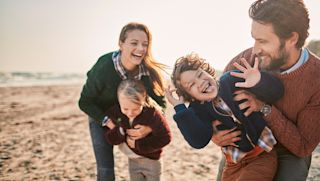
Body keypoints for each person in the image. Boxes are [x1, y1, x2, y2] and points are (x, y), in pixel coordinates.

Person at [212, 0, 320, 180]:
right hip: (247, 142)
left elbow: (303, 146)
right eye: (254, 39)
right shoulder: (245, 60)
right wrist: (214, 133)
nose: (255, 49)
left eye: (262, 41)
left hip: (290, 150)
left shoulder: (316, 79)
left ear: (292, 38)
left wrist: (264, 108)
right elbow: (214, 103)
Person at [165, 53, 284, 180]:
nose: (200, 82)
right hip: (233, 162)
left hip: (261, 154)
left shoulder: (230, 80)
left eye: (200, 75)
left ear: (209, 73)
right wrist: (180, 109)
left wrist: (258, 81)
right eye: (191, 85)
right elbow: (198, 141)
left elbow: (277, 91)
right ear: (190, 97)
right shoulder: (198, 109)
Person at [78, 22, 167, 181]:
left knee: (139, 160)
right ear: (121, 44)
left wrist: (148, 127)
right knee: (105, 168)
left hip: (131, 117)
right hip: (101, 117)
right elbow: (85, 101)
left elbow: (161, 104)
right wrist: (109, 122)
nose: (140, 48)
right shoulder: (104, 66)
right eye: (134, 43)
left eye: (145, 44)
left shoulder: (148, 71)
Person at [104, 79, 171, 181]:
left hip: (152, 161)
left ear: (143, 101)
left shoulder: (152, 114)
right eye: (125, 109)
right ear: (119, 101)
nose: (130, 113)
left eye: (135, 109)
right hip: (132, 161)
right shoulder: (117, 113)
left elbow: (166, 137)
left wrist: (139, 145)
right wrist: (120, 131)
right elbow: (111, 139)